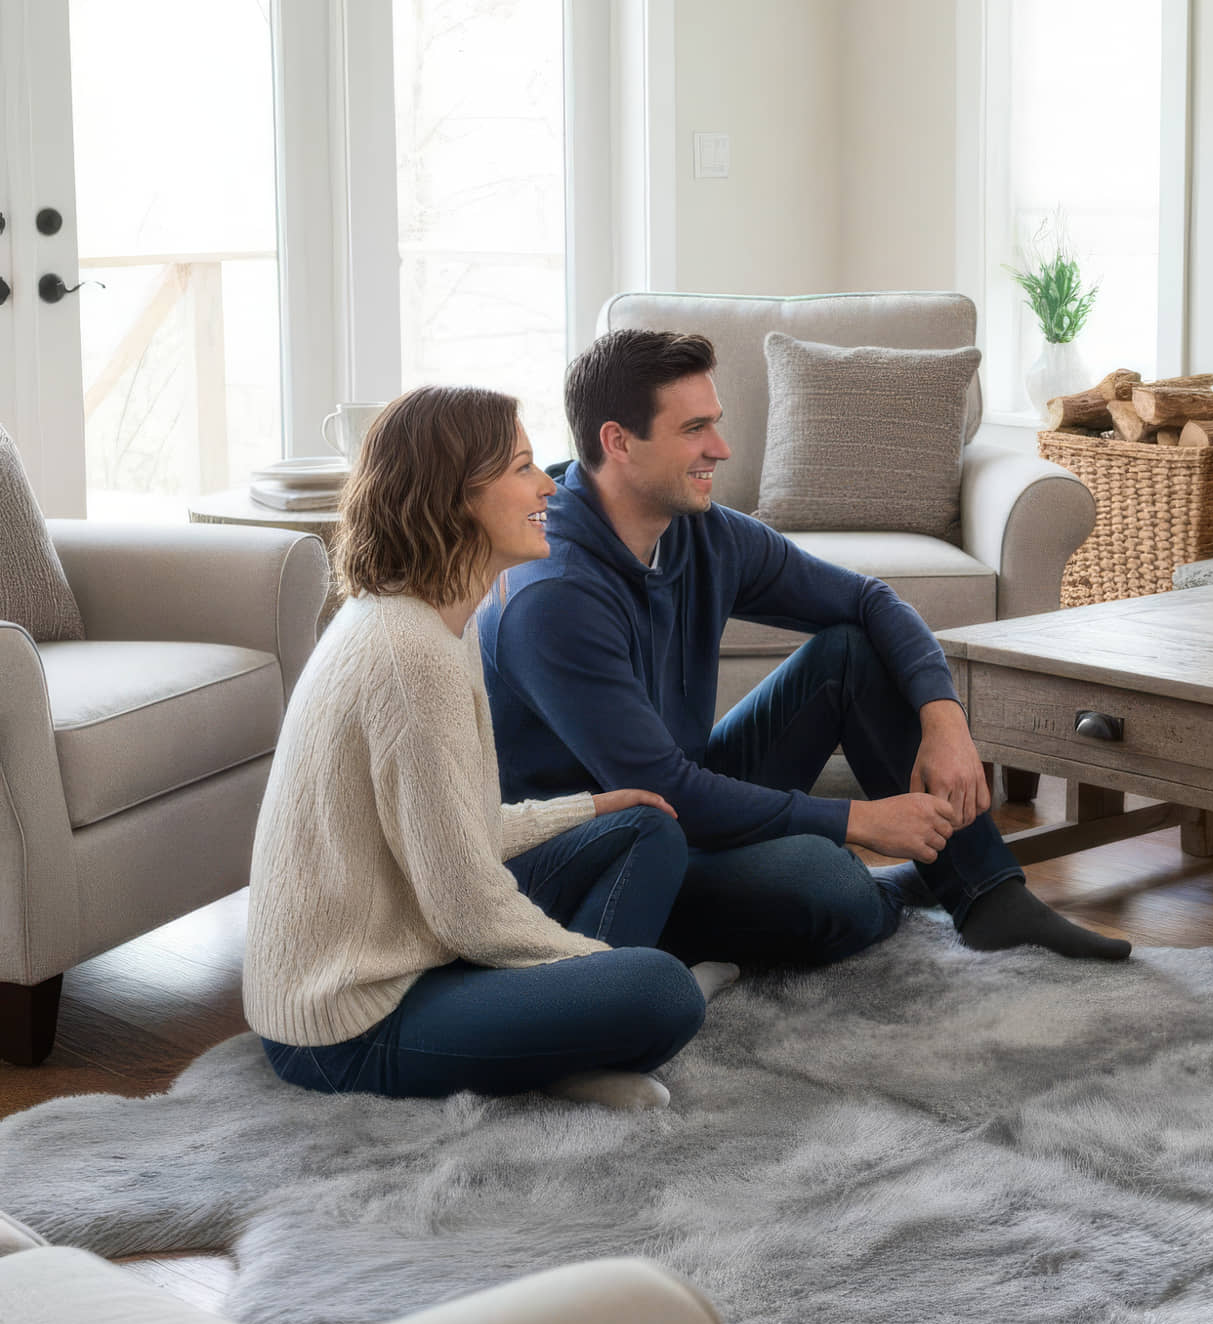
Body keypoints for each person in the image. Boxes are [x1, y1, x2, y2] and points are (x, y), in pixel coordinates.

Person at [478, 327, 1130, 971]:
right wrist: (860, 822)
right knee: (834, 888)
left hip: (681, 805)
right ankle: (891, 890)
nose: (722, 448)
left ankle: (989, 895)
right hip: (602, 864)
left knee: (849, 653)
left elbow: (870, 602)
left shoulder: (699, 533)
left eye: (717, 422)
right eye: (694, 430)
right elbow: (661, 791)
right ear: (617, 441)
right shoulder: (554, 595)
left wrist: (945, 718)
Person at [244, 384, 729, 1111]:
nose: (549, 486)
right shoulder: (409, 655)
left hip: (413, 947)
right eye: (523, 468)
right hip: (349, 1022)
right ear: (456, 496)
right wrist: (606, 969)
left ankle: (559, 1041)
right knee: (661, 990)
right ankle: (574, 1039)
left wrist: (588, 808)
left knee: (646, 826)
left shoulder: (441, 616)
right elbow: (464, 906)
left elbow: (461, 832)